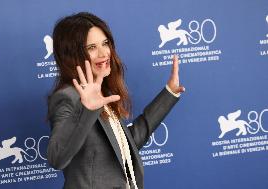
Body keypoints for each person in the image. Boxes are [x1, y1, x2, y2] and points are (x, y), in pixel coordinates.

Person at [47, 12, 185, 189]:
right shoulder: (68, 97)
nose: (104, 53)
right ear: (73, 55)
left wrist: (169, 94)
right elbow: (56, 158)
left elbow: (126, 145)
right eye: (91, 47)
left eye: (105, 44)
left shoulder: (101, 92)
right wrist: (87, 109)